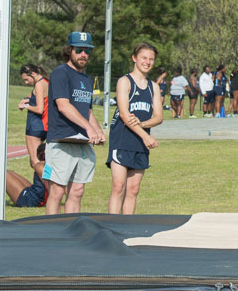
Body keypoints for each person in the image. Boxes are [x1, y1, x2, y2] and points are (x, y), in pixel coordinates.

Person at [44, 31, 105, 215]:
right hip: (61, 141)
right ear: (70, 50)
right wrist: (88, 128)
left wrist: (98, 131)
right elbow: (63, 106)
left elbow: (87, 111)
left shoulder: (86, 79)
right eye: (79, 50)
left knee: (77, 191)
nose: (83, 54)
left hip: (81, 143)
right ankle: (52, 234)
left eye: (87, 51)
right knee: (57, 191)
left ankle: (72, 232)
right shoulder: (60, 73)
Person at [107, 42, 163, 214]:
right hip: (122, 140)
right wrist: (146, 136)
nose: (147, 62)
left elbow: (158, 117)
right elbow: (124, 115)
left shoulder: (153, 86)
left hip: (140, 143)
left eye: (151, 59)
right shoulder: (125, 82)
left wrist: (143, 125)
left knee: (133, 189)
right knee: (119, 186)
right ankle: (112, 226)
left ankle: (127, 227)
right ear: (134, 58)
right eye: (144, 58)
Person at [17, 63, 49, 166]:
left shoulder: (39, 85)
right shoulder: (46, 82)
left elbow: (39, 109)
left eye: (27, 79)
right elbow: (44, 101)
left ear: (33, 74)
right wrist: (29, 100)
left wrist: (25, 106)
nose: (26, 82)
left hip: (35, 126)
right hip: (45, 125)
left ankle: (44, 183)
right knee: (43, 160)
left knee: (35, 162)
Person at [6, 143, 47, 208]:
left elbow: (50, 187)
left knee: (4, 174)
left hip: (31, 201)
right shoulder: (51, 165)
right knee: (9, 172)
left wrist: (56, 204)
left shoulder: (39, 166)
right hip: (35, 195)